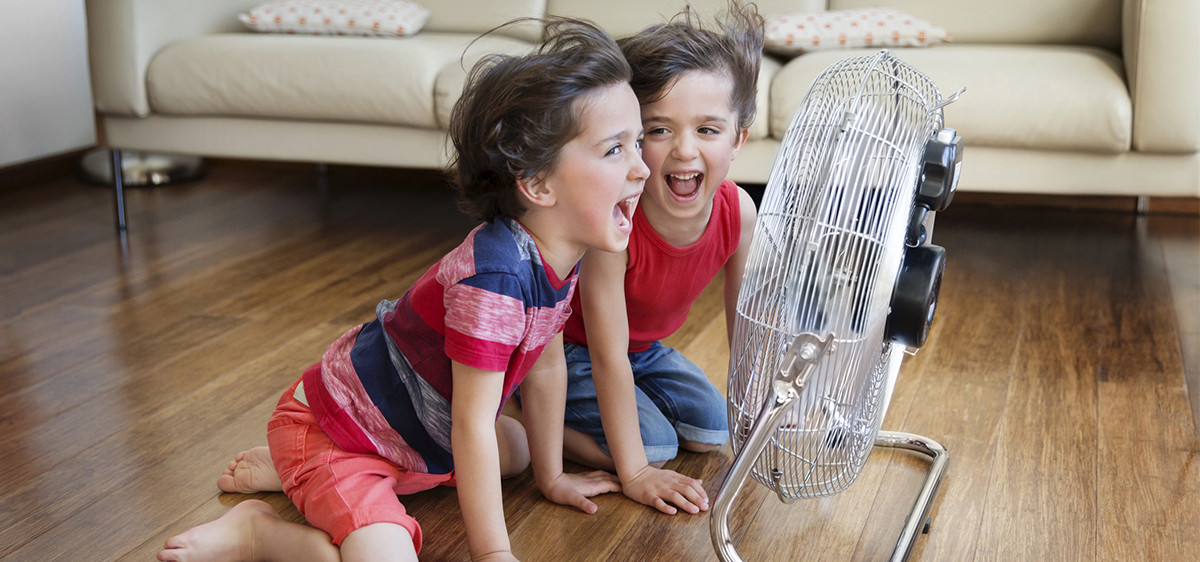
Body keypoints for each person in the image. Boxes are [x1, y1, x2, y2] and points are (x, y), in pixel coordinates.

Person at [156, 17, 648, 562]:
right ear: (537, 184)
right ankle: (258, 531)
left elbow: (548, 368)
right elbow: (469, 422)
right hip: (331, 430)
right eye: (614, 150)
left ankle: (302, 474)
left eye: (638, 143)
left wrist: (552, 478)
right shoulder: (495, 282)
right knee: (383, 555)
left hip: (402, 436)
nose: (643, 168)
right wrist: (492, 554)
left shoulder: (559, 254)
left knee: (517, 451)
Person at [552, 1, 763, 516]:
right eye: (659, 130)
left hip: (644, 350)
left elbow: (747, 324)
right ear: (630, 137)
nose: (684, 151)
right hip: (575, 352)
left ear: (738, 140)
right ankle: (533, 413)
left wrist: (760, 412)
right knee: (653, 449)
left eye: (708, 130)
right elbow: (605, 354)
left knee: (714, 427)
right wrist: (636, 473)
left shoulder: (740, 213)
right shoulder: (616, 224)